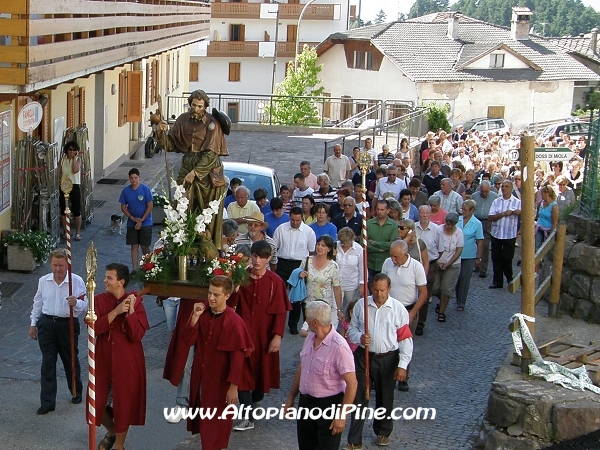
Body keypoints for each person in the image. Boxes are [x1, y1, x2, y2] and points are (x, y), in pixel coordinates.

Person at [181, 276, 254, 450]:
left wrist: (233, 386)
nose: (211, 298)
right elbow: (187, 340)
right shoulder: (203, 314)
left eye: (216, 295)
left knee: (215, 425)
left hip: (221, 380)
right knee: (204, 421)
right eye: (209, 293)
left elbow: (237, 359)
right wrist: (194, 318)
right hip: (201, 376)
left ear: (227, 296)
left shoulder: (234, 322)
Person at [227, 240, 292, 431]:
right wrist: (235, 288)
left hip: (264, 336)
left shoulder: (275, 282)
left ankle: (253, 404)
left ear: (268, 259)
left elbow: (280, 312)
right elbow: (229, 304)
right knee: (242, 374)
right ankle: (247, 416)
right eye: (254, 256)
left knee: (259, 376)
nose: (256, 261)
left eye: (261, 257)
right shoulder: (242, 277)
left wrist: (277, 336)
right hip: (243, 336)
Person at [345, 273, 412, 449]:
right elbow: (351, 330)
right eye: (375, 290)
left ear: (389, 289)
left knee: (385, 396)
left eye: (382, 290)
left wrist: (402, 365)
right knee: (359, 396)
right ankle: (354, 440)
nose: (379, 294)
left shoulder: (398, 309)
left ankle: (383, 431)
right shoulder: (361, 305)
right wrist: (360, 337)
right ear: (370, 288)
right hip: (364, 356)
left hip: (388, 358)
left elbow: (405, 339)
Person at [157, 90, 228, 249]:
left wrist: (195, 173)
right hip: (188, 162)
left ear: (205, 107)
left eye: (200, 106)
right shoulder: (183, 120)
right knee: (181, 202)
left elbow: (211, 153)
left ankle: (207, 243)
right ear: (190, 104)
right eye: (194, 105)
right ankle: (181, 241)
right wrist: (161, 132)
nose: (196, 109)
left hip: (207, 170)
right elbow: (171, 145)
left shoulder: (213, 123)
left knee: (207, 210)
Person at [285, 301, 357, 450]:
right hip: (306, 403)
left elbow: (352, 383)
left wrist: (342, 416)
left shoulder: (339, 347)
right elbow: (302, 368)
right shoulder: (310, 339)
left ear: (315, 322)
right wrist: (291, 398)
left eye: (306, 319)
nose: (305, 322)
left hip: (329, 406)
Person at [92, 263, 149, 450]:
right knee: (96, 403)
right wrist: (116, 312)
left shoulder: (135, 302)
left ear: (121, 282)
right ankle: (113, 431)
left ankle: (119, 445)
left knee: (124, 404)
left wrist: (131, 310)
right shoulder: (99, 301)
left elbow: (137, 334)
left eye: (109, 278)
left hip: (127, 361)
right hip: (103, 359)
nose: (104, 281)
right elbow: (94, 327)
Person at [29, 248, 87, 415]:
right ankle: (47, 402)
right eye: (54, 265)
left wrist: (75, 302)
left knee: (70, 360)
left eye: (61, 265)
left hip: (67, 324)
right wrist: (33, 323)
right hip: (47, 324)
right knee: (48, 362)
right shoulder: (43, 281)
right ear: (50, 264)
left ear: (67, 265)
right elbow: (37, 302)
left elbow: (86, 306)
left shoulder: (76, 282)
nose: (58, 269)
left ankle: (76, 391)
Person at [380, 239, 426, 390]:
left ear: (405, 254)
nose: (393, 259)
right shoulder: (387, 263)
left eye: (396, 257)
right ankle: (385, 376)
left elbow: (423, 293)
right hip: (389, 308)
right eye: (391, 256)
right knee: (387, 341)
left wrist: (412, 313)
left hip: (407, 309)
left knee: (405, 343)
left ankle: (404, 375)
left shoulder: (416, 267)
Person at [274, 206, 316, 335]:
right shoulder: (281, 229)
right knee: (278, 295)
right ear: (289, 217)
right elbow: (274, 248)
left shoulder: (309, 232)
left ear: (302, 218)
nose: (295, 223)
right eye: (293, 220)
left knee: (296, 297)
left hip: (299, 265)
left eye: (298, 220)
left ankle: (293, 324)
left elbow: (312, 251)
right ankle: (276, 324)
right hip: (282, 263)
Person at [300, 235, 343, 328]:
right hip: (309, 304)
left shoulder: (333, 266)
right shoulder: (307, 261)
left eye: (323, 245)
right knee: (309, 332)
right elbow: (297, 277)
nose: (319, 247)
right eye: (318, 244)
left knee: (322, 333)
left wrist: (339, 310)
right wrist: (300, 275)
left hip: (325, 306)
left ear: (329, 249)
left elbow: (337, 288)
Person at [415, 205, 445, 336]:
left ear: (430, 215)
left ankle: (421, 323)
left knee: (424, 294)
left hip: (430, 264)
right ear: (419, 215)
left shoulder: (436, 230)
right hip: (414, 263)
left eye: (427, 213)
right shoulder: (413, 228)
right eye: (423, 213)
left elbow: (441, 249)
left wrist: (431, 261)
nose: (425, 216)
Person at [488, 180, 521, 289]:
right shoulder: (496, 202)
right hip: (496, 234)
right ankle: (498, 281)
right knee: (496, 258)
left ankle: (509, 277)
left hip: (509, 235)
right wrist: (502, 214)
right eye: (503, 186)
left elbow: (526, 213)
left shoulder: (517, 202)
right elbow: (491, 217)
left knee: (507, 258)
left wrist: (519, 212)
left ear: (511, 188)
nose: (504, 188)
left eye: (506, 186)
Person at [119, 168, 153, 273]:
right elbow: (123, 207)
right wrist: (132, 218)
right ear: (129, 179)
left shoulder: (145, 189)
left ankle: (148, 265)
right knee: (134, 245)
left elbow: (150, 205)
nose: (133, 180)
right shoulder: (126, 191)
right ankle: (134, 269)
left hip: (146, 222)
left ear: (139, 177)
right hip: (131, 222)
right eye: (131, 178)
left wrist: (142, 220)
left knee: (144, 245)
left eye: (135, 178)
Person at [433, 213, 463, 323]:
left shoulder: (459, 233)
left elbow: (459, 250)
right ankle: (442, 301)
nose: (449, 226)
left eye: (451, 225)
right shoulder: (438, 230)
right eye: (447, 224)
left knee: (446, 289)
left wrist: (449, 263)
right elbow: (433, 246)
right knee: (434, 288)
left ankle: (441, 312)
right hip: (437, 262)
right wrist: (437, 262)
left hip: (452, 264)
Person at [456, 201, 484, 311]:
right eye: (462, 209)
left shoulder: (477, 223)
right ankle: (458, 297)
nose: (463, 211)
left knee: (465, 278)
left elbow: (480, 241)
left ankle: (461, 301)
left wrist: (479, 257)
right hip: (456, 254)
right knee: (457, 278)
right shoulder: (457, 220)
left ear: (471, 210)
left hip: (469, 255)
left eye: (465, 210)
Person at [471, 180, 498, 278]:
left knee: (485, 245)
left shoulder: (495, 197)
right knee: (474, 243)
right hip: (476, 221)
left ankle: (483, 268)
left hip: (488, 221)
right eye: (482, 191)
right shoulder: (475, 196)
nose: (484, 193)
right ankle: (476, 264)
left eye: (486, 191)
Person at [366, 200, 398, 280]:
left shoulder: (394, 225)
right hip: (370, 264)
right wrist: (380, 249)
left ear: (388, 210)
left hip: (386, 264)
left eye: (382, 210)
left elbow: (392, 245)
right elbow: (363, 243)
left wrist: (375, 243)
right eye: (378, 209)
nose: (379, 212)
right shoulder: (368, 224)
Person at [59, 140, 83, 241]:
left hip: (75, 185)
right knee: (64, 210)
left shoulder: (78, 160)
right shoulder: (62, 160)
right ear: (66, 150)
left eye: (74, 150)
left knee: (76, 210)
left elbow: (75, 170)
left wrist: (75, 158)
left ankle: (77, 233)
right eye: (70, 149)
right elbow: (59, 173)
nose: (71, 151)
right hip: (64, 185)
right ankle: (66, 232)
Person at [336, 227, 364, 313]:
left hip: (351, 284)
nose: (344, 245)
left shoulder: (359, 249)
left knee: (350, 308)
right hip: (336, 284)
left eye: (346, 243)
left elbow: (362, 268)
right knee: (336, 308)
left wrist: (362, 284)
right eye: (342, 243)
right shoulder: (335, 246)